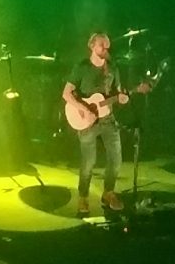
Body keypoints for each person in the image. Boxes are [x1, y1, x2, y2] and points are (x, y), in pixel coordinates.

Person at [62, 32, 148, 217]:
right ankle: (83, 197)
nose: (105, 47)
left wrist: (124, 98)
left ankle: (108, 193)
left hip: (108, 118)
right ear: (92, 45)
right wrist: (84, 109)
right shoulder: (82, 67)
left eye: (107, 44)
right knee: (88, 162)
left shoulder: (113, 68)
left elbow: (118, 93)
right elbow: (66, 94)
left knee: (116, 159)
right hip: (87, 121)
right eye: (101, 44)